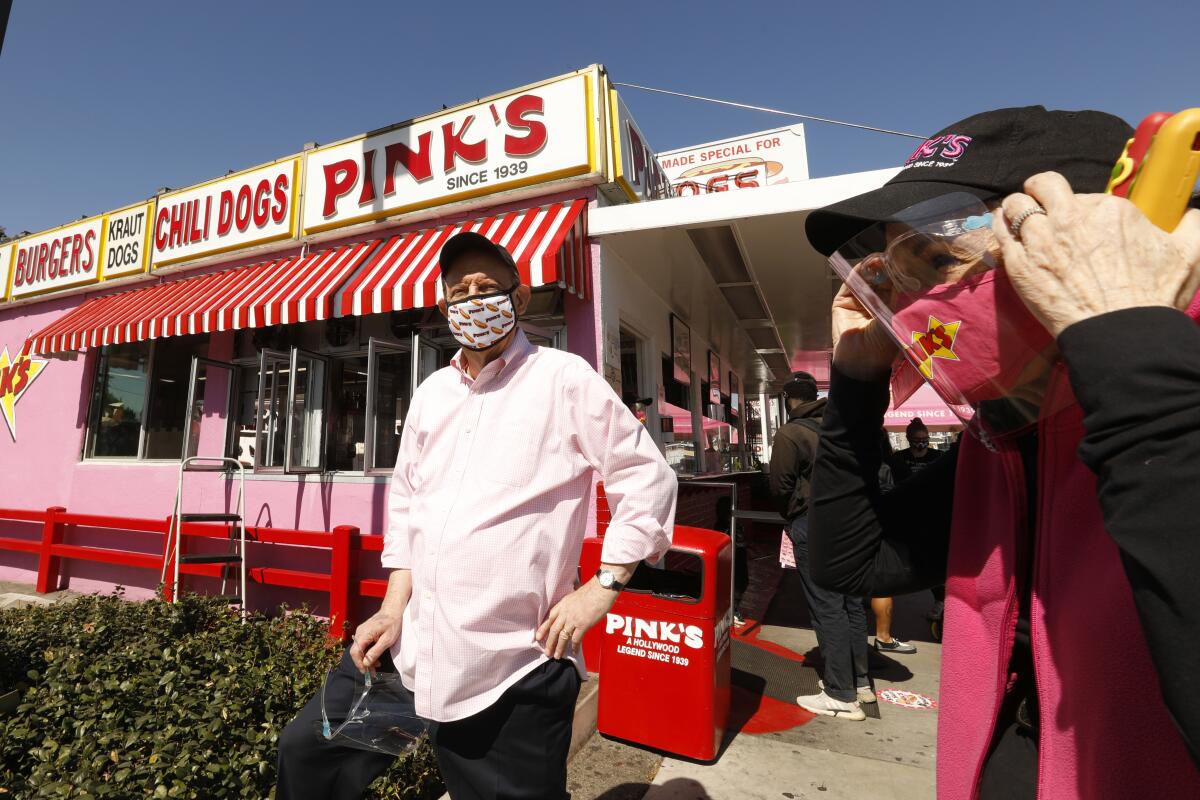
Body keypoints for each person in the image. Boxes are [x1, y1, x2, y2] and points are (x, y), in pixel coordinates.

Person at [805, 106, 1200, 798]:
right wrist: (857, 380)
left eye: (935, 259)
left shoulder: (1171, 400)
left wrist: (1129, 345)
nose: (918, 304)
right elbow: (850, 559)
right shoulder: (1005, 437)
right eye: (898, 277)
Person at [276, 232, 678, 800]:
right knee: (310, 757)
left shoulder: (564, 378)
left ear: (521, 296)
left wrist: (603, 587)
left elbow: (646, 475)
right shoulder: (432, 393)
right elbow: (409, 503)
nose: (474, 299)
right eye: (460, 291)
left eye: (488, 288)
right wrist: (393, 610)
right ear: (443, 308)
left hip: (511, 667)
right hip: (411, 651)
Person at [768, 372, 872, 719]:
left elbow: (780, 486)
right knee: (851, 603)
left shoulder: (791, 433)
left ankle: (840, 693)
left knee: (826, 606)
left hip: (813, 525)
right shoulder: (843, 428)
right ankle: (861, 683)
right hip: (854, 523)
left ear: (789, 399)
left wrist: (793, 515)